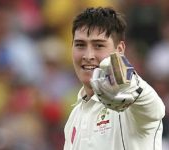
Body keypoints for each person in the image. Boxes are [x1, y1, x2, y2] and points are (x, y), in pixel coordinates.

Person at [63, 7, 165, 150]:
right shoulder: (74, 116)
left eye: (98, 45)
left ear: (120, 49)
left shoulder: (131, 102)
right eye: (80, 45)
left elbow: (155, 108)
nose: (88, 56)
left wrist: (129, 85)